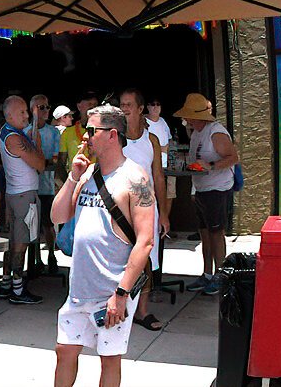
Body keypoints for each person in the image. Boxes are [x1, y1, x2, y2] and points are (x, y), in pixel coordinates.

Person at [49, 104, 157, 387]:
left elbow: (145, 241)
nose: (85, 137)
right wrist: (73, 176)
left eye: (91, 130)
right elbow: (57, 216)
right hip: (80, 288)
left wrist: (121, 293)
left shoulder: (136, 178)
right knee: (65, 350)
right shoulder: (87, 175)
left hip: (112, 290)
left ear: (111, 134)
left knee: (109, 357)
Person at [115, 88, 167, 331]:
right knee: (119, 258)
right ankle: (118, 306)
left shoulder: (151, 140)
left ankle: (142, 311)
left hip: (147, 208)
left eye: (128, 104)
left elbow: (159, 177)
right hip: (119, 209)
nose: (124, 108)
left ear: (139, 108)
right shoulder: (115, 137)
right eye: (121, 104)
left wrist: (164, 213)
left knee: (145, 259)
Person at [175, 94, 238, 296]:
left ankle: (221, 276)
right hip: (202, 188)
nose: (188, 120)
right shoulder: (196, 133)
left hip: (217, 189)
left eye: (190, 116)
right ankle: (207, 273)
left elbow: (233, 158)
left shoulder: (216, 133)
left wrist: (210, 166)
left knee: (216, 233)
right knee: (204, 233)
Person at [0, 96, 47, 305]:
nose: (26, 115)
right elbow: (40, 164)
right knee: (20, 243)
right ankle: (17, 289)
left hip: (15, 194)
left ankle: (7, 283)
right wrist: (36, 142)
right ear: (9, 116)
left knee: (13, 241)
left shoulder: (10, 133)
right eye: (22, 113)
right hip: (23, 196)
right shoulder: (14, 138)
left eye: (27, 112)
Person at [27, 96, 63, 278]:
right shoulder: (25, 131)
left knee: (48, 224)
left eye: (48, 107)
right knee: (32, 224)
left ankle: (50, 254)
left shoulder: (54, 132)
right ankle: (35, 259)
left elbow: (54, 161)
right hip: (30, 186)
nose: (46, 111)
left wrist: (40, 162)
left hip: (47, 185)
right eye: (42, 107)